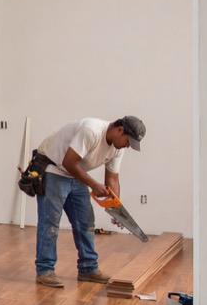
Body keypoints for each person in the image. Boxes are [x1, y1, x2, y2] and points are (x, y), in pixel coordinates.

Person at [32, 116, 146, 288]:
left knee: (85, 222)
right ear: (120, 130)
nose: (128, 146)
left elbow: (112, 178)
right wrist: (93, 185)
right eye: (128, 141)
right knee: (50, 222)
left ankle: (88, 269)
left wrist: (116, 209)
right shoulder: (91, 131)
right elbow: (68, 162)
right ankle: (45, 271)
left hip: (75, 172)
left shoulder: (117, 148)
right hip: (53, 169)